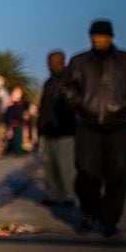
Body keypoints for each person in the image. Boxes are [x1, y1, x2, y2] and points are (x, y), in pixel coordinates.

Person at [62, 20, 126, 239]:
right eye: (93, 35)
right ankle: (89, 213)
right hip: (88, 126)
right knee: (86, 174)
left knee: (117, 175)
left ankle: (110, 221)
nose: (96, 39)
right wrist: (79, 104)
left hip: (118, 126)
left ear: (110, 37)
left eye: (101, 36)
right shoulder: (79, 61)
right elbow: (65, 87)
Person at [38, 50, 77, 206]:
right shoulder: (49, 82)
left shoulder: (70, 80)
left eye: (51, 62)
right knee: (49, 165)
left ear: (61, 61)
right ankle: (52, 195)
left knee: (65, 166)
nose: (48, 65)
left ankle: (69, 195)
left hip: (65, 130)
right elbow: (43, 106)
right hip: (48, 130)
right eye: (48, 62)